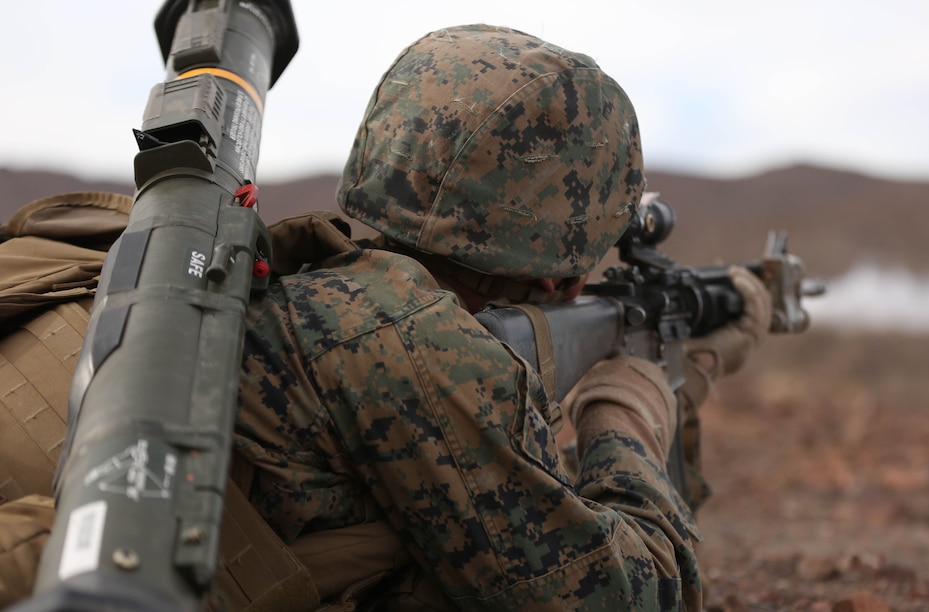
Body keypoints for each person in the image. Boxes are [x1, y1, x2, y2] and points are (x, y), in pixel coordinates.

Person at [0, 24, 770, 610]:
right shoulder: (416, 345)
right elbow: (625, 594)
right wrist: (630, 412)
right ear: (562, 266)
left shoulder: (303, 277)